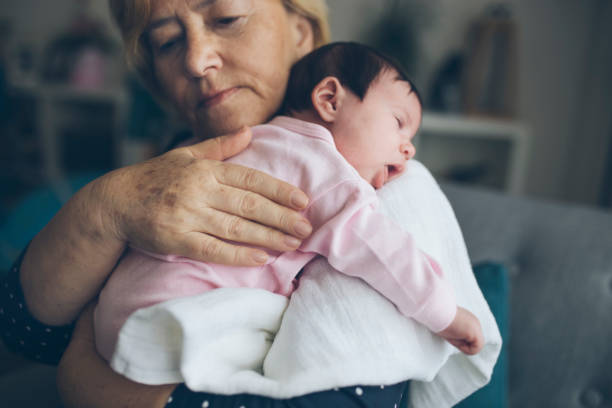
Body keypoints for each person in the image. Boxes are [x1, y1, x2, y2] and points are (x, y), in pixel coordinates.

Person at [0, 1, 418, 407]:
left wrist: (89, 387)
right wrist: (106, 210)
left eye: (227, 18)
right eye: (166, 42)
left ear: (300, 31)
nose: (197, 61)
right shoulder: (173, 161)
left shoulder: (377, 185)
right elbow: (27, 330)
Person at [94, 43, 483, 376]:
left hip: (116, 308)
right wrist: (446, 314)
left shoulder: (259, 139)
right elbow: (383, 250)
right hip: (177, 317)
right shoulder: (329, 172)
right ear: (329, 100)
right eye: (399, 123)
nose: (408, 149)